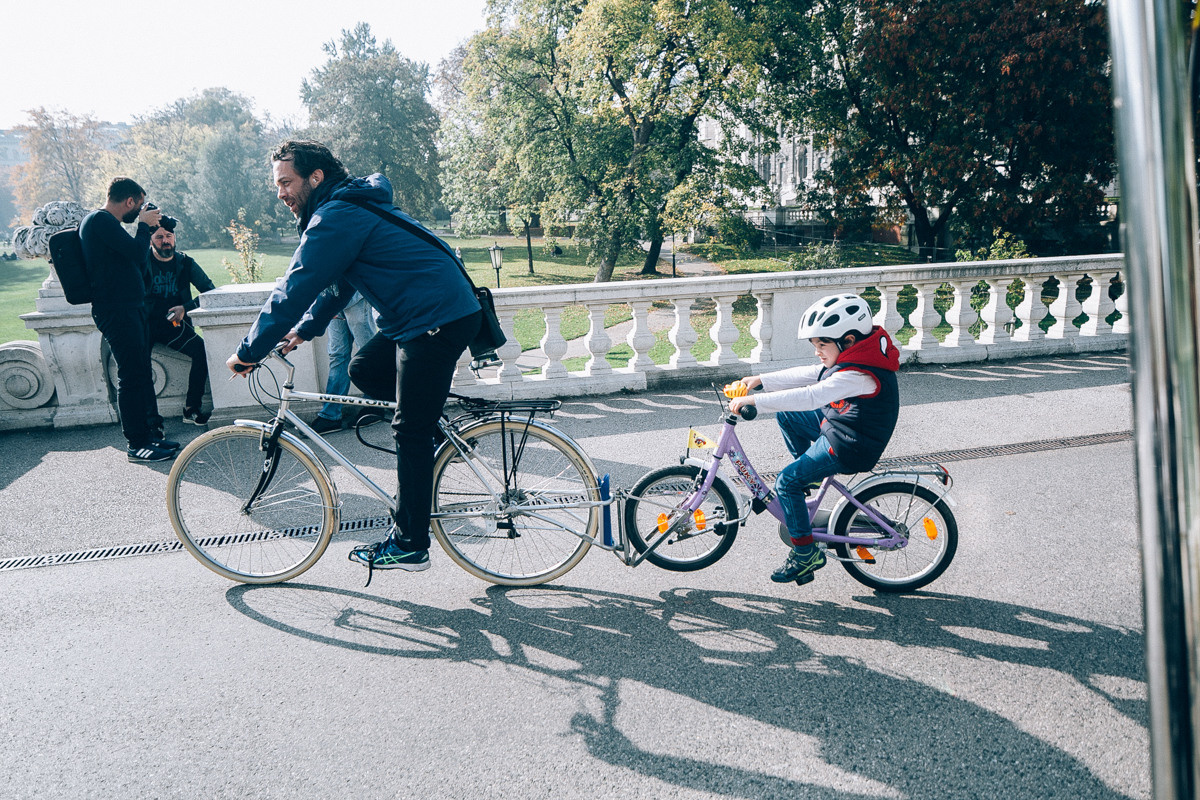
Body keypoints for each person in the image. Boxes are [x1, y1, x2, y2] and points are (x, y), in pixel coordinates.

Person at [227, 139, 482, 575]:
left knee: (409, 432)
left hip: (433, 318)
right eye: (277, 185)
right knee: (364, 367)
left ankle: (410, 545)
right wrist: (305, 330)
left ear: (316, 177)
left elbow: (294, 288)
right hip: (430, 313)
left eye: (286, 183)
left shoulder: (336, 215)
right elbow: (340, 284)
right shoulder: (347, 206)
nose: (280, 193)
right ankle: (439, 437)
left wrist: (247, 351)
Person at [727, 293, 900, 586]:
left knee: (786, 481)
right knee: (788, 417)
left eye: (822, 345)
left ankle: (806, 553)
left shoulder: (860, 373)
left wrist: (757, 401)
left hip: (851, 444)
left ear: (847, 340)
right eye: (814, 345)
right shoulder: (857, 354)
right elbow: (813, 373)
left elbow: (812, 396)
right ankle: (811, 480)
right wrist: (760, 380)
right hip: (842, 425)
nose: (817, 351)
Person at [80, 177, 178, 463]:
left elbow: (133, 258)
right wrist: (145, 226)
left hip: (128, 308)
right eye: (139, 206)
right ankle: (137, 443)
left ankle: (150, 436)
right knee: (131, 376)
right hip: (116, 310)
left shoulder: (108, 226)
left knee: (140, 374)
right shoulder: (100, 221)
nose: (139, 213)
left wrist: (145, 226)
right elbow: (138, 254)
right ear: (130, 201)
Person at [145, 217, 216, 425]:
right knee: (139, 369)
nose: (165, 241)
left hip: (174, 327)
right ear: (150, 240)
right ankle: (152, 423)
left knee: (201, 351)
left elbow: (210, 292)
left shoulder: (185, 262)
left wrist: (186, 308)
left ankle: (191, 408)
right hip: (144, 327)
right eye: (159, 237)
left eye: (168, 236)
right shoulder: (141, 262)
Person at [310, 289, 378, 434]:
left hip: (355, 294)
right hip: (333, 297)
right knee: (337, 355)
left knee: (368, 353)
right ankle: (331, 415)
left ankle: (375, 405)